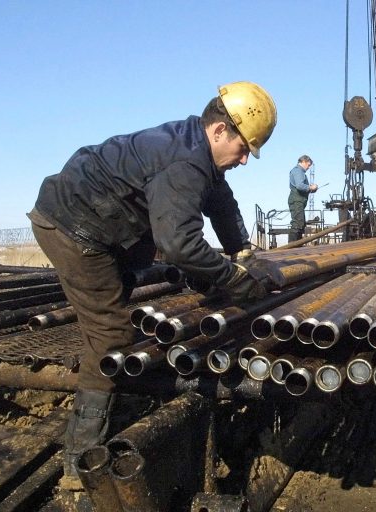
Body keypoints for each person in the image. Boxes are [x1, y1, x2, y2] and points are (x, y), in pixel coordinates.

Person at [28, 81, 277, 488]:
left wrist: (242, 251)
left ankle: (106, 377)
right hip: (73, 229)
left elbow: (223, 204)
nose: (246, 159)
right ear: (219, 131)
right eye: (244, 148)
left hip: (103, 225)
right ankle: (79, 462)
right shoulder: (184, 162)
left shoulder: (199, 154)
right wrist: (234, 279)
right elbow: (178, 244)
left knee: (131, 293)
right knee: (110, 335)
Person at [287, 154, 318, 242]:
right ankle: (292, 248)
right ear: (304, 162)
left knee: (300, 224)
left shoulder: (299, 172)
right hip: (297, 200)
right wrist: (311, 187)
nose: (308, 168)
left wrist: (310, 189)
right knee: (297, 224)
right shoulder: (298, 171)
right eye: (308, 165)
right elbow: (300, 186)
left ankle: (297, 246)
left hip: (298, 201)